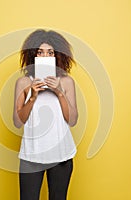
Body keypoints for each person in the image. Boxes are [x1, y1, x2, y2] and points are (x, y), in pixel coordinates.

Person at [13, 29, 78, 200]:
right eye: (40, 52)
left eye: (50, 52)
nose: (45, 56)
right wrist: (33, 96)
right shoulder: (24, 82)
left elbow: (72, 120)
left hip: (61, 155)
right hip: (31, 155)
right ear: (33, 55)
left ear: (57, 56)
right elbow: (17, 122)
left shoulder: (66, 82)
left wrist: (59, 91)